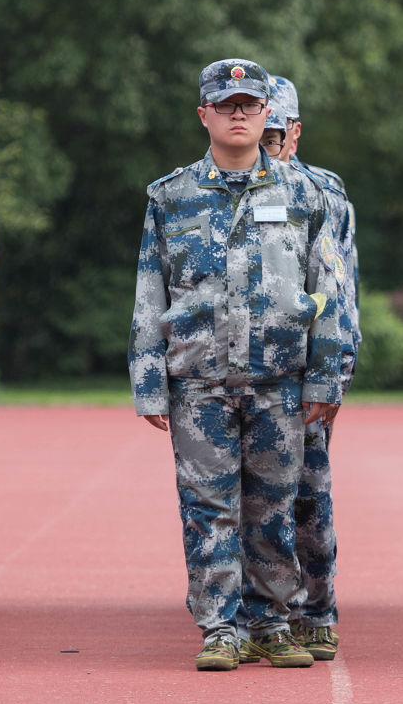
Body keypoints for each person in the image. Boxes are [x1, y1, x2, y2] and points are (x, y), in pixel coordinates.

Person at [131, 58, 353, 672]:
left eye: (249, 106)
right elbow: (151, 291)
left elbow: (328, 291)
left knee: (273, 508)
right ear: (204, 114)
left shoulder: (305, 195)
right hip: (198, 382)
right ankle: (221, 627)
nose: (238, 115)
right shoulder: (170, 196)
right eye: (226, 105)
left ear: (266, 115)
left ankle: (271, 622)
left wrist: (327, 376)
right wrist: (148, 383)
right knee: (208, 509)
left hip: (279, 380)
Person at [252, 75, 357, 661]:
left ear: (294, 132)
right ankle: (259, 610)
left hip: (305, 367)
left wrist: (336, 370)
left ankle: (316, 608)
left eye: (274, 134)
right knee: (249, 498)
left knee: (309, 495)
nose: (265, 144)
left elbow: (341, 288)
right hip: (245, 369)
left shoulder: (322, 193)